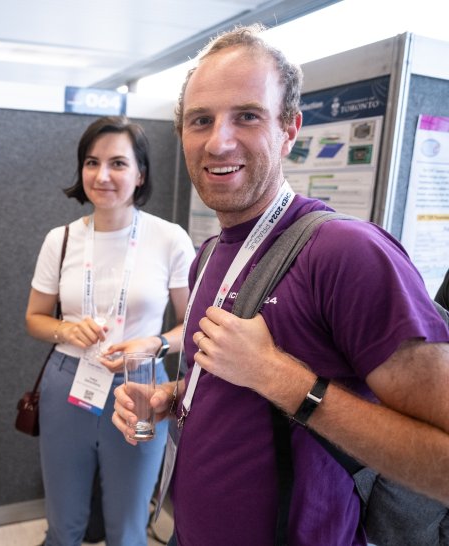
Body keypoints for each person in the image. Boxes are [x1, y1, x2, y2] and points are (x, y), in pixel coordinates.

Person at [112, 24, 449, 545]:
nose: (219, 140)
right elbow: (235, 393)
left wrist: (281, 378)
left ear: (289, 129)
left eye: (246, 116)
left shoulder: (346, 254)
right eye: (201, 120)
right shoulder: (208, 257)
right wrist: (172, 397)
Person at [25, 116, 194, 546]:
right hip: (69, 386)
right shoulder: (60, 239)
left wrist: (155, 342)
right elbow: (35, 318)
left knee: (128, 527)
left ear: (140, 174)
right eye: (91, 162)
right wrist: (66, 329)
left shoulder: (169, 238)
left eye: (117, 163)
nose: (102, 175)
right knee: (64, 526)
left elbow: (191, 325)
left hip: (143, 388)